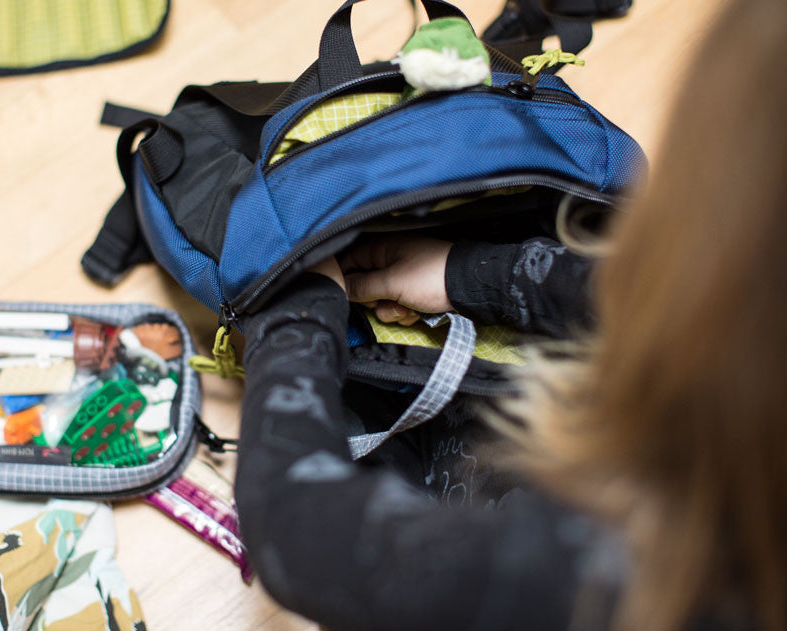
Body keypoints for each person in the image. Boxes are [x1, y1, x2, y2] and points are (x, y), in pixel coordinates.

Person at [232, 0, 787, 627]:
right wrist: (460, 273)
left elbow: (296, 528)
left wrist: (300, 312)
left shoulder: (611, 581)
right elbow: (675, 300)